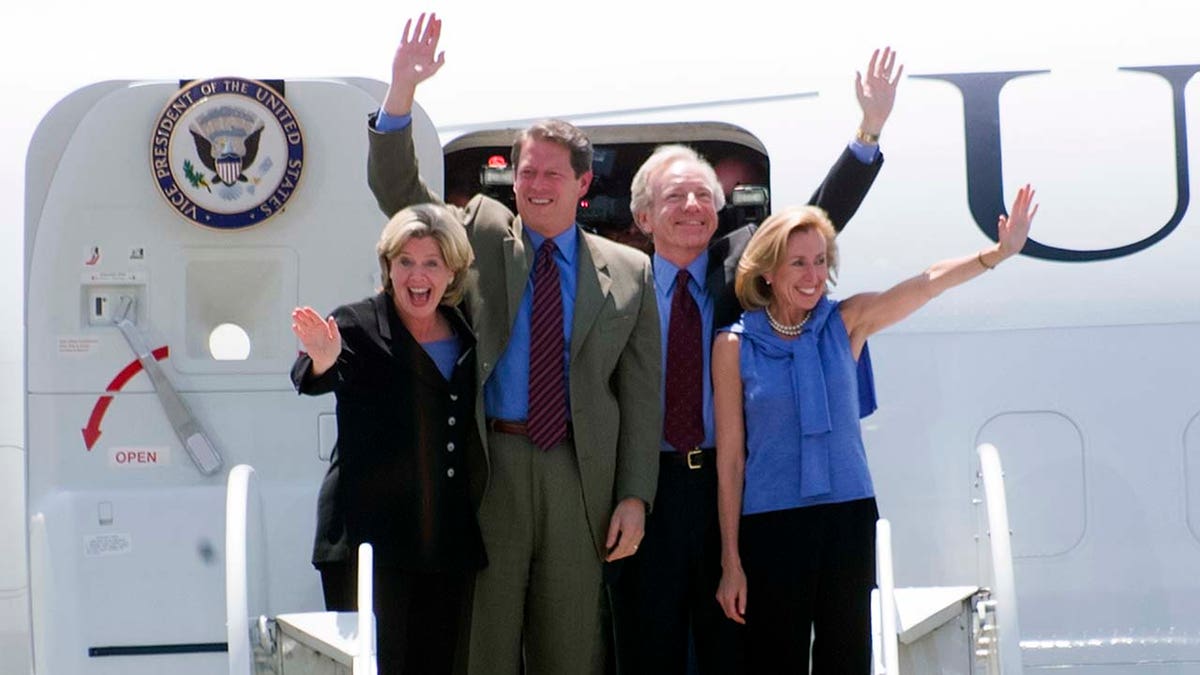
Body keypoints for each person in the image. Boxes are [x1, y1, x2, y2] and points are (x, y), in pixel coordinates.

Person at [366, 14, 661, 675]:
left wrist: (636, 497)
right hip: (490, 466)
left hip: (577, 476)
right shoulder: (481, 233)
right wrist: (401, 93)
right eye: (527, 171)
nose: (536, 184)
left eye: (552, 174)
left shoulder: (631, 271)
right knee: (484, 648)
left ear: (583, 185)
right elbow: (399, 195)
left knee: (570, 649)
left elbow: (642, 398)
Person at [612, 47, 902, 675]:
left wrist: (868, 132)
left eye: (703, 195)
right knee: (649, 642)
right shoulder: (616, 283)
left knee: (732, 646)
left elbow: (822, 215)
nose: (693, 206)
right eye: (675, 197)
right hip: (649, 488)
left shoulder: (742, 269)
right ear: (642, 217)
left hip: (727, 483)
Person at [712, 185, 1038, 673]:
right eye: (798, 263)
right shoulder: (734, 346)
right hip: (771, 523)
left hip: (847, 516)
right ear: (768, 270)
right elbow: (732, 460)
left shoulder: (846, 322)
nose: (813, 276)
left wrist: (997, 254)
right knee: (772, 660)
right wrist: (731, 561)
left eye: (820, 261)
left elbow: (927, 283)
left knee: (847, 657)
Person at [290, 203, 486, 675]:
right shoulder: (357, 324)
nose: (417, 276)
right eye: (406, 262)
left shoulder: (464, 331)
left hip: (443, 540)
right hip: (368, 541)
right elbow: (312, 376)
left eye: (431, 263)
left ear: (452, 271)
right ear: (388, 267)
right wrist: (322, 358)